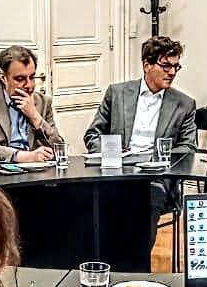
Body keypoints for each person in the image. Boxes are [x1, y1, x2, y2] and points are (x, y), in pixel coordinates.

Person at [84, 36, 197, 248]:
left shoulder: (184, 104)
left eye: (175, 66)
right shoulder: (117, 93)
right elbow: (93, 135)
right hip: (115, 174)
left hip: (155, 179)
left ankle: (136, 268)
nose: (171, 72)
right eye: (165, 66)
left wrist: (155, 161)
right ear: (147, 64)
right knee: (86, 203)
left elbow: (187, 150)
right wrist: (115, 153)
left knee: (144, 202)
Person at [0, 45, 63, 163]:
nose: (28, 85)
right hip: (1, 171)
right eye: (20, 79)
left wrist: (35, 117)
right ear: (3, 77)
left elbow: (59, 148)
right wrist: (25, 157)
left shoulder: (43, 102)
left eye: (32, 77)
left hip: (39, 174)